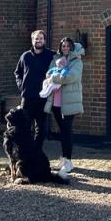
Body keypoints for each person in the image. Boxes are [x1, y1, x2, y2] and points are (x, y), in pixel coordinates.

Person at [43, 36, 84, 176]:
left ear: (72, 47)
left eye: (67, 46)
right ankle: (64, 158)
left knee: (66, 130)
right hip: (56, 101)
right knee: (62, 130)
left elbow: (71, 77)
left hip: (69, 101)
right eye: (63, 46)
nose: (65, 48)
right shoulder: (56, 59)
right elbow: (48, 73)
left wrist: (53, 78)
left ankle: (69, 161)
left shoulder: (76, 61)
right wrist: (51, 77)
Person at [14, 30, 55, 151]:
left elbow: (61, 63)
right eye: (36, 39)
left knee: (41, 128)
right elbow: (17, 72)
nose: (38, 41)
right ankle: (25, 151)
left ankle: (37, 151)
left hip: (43, 97)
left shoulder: (51, 55)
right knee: (25, 126)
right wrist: (21, 86)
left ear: (44, 40)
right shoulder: (25, 56)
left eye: (41, 38)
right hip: (27, 98)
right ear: (32, 41)